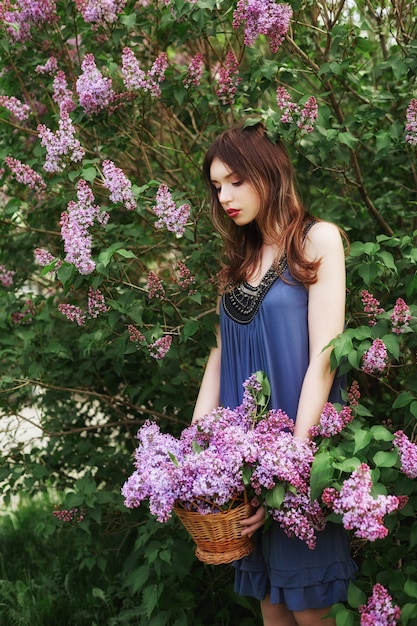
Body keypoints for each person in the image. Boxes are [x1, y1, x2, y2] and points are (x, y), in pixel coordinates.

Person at [191, 122, 357, 626]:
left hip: (298, 463)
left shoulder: (317, 240)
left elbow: (325, 356)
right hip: (246, 473)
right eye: (217, 186)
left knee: (312, 612)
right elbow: (219, 360)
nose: (225, 197)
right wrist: (194, 454)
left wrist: (289, 466)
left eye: (236, 181)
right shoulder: (238, 264)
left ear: (269, 172)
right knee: (274, 611)